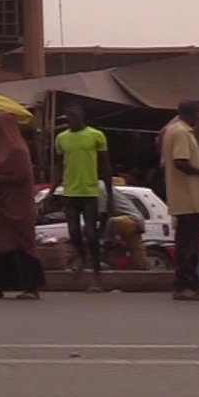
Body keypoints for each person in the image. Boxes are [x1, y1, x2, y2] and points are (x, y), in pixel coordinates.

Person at [0, 111, 44, 299]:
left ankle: (31, 287)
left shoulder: (18, 150)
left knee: (22, 245)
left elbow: (22, 177)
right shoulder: (0, 151)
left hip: (17, 208)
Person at [52, 103, 113, 291]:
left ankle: (96, 277)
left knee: (92, 234)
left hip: (90, 192)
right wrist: (52, 188)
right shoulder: (61, 139)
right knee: (73, 232)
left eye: (75, 116)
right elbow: (59, 166)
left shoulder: (96, 136)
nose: (72, 120)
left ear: (82, 117)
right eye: (69, 117)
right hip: (70, 192)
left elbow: (105, 166)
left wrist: (110, 194)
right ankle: (83, 258)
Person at [163, 101, 199, 300]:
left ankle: (192, 284)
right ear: (189, 113)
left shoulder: (182, 131)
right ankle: (182, 285)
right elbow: (181, 162)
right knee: (187, 243)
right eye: (198, 113)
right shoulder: (180, 132)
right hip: (187, 197)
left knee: (191, 243)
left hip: (192, 195)